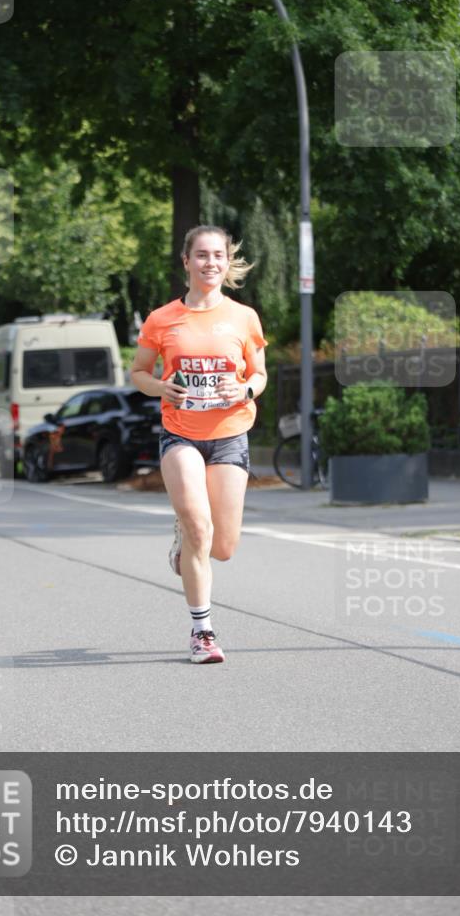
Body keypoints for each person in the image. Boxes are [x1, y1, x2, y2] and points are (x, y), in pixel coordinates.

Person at [130, 225, 268, 664]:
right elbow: (139, 373)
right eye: (202, 255)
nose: (211, 262)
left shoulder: (244, 317)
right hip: (180, 433)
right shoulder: (162, 318)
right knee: (199, 528)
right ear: (186, 261)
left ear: (227, 263)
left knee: (222, 547)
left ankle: (186, 537)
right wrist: (160, 388)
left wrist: (244, 390)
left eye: (218, 255)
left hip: (229, 435)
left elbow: (259, 375)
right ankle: (202, 633)